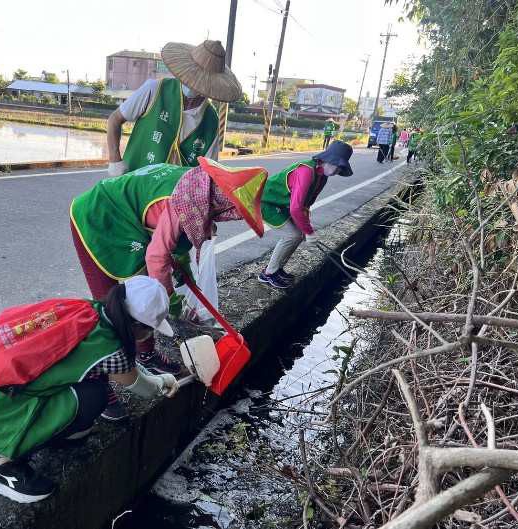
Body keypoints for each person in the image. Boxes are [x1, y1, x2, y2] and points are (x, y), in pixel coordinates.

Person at [0, 276, 179, 504]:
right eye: (151, 329)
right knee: (94, 396)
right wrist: (163, 382)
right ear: (137, 326)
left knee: (86, 384)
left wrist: (157, 376)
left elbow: (122, 365)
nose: (151, 334)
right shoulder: (109, 348)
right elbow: (141, 387)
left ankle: (53, 433)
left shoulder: (84, 310)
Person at [70, 159, 266, 419]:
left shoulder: (199, 188)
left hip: (128, 222)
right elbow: (156, 257)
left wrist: (181, 272)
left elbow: (172, 243)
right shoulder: (183, 200)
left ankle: (147, 355)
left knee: (143, 304)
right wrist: (169, 301)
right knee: (111, 308)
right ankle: (101, 384)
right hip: (97, 218)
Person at [106, 40, 242, 177]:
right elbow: (115, 120)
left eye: (201, 82)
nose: (194, 85)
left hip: (175, 196)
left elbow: (209, 171)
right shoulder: (155, 90)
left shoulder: (210, 119)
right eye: (193, 76)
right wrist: (115, 160)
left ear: (211, 85)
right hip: (135, 184)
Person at [258, 141, 354, 289]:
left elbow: (305, 205)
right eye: (337, 165)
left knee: (299, 234)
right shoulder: (306, 171)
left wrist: (307, 229)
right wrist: (309, 231)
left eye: (341, 168)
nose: (337, 171)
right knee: (292, 235)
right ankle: (268, 274)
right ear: (328, 159)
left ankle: (277, 269)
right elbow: (296, 208)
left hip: (282, 204)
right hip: (266, 202)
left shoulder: (322, 176)